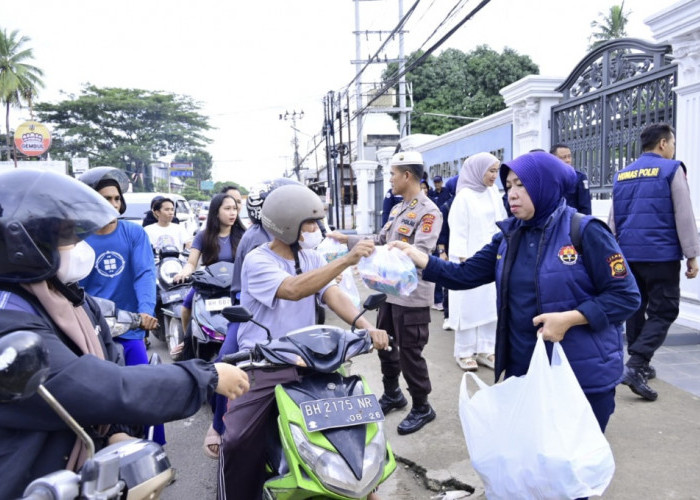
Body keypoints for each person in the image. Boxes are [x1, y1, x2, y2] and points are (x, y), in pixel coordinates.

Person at [0, 169, 250, 499]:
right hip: (32, 482)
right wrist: (205, 375)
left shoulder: (71, 298)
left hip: (87, 472)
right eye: (67, 236)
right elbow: (93, 386)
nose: (79, 245)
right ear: (25, 245)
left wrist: (117, 432)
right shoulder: (10, 314)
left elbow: (111, 362)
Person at [392, 151, 640, 433]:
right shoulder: (509, 237)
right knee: (537, 453)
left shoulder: (585, 231)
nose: (512, 194)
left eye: (521, 185)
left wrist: (571, 319)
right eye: (508, 186)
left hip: (579, 372)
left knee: (576, 462)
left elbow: (626, 296)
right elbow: (464, 274)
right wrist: (418, 257)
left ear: (544, 185)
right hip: (526, 370)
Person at [218, 184, 389, 500]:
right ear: (287, 224)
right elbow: (294, 289)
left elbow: (330, 293)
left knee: (356, 425)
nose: (317, 230)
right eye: (310, 224)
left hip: (312, 361)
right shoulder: (258, 260)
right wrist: (346, 259)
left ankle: (365, 488)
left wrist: (366, 327)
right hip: (264, 364)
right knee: (237, 440)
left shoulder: (311, 257)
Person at [329, 150, 443, 436]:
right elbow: (381, 239)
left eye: (393, 173)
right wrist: (348, 239)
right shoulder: (397, 209)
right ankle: (393, 394)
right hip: (387, 292)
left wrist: (388, 254)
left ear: (407, 175)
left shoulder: (429, 212)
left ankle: (422, 405)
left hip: (411, 294)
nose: (390, 179)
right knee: (385, 344)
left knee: (411, 353)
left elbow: (421, 254)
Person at [203, 178, 298, 459]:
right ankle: (219, 424)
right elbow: (290, 287)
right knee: (227, 362)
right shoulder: (259, 237)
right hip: (249, 310)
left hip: (284, 311)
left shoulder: (292, 235)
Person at [610, 123, 700, 401]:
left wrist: (612, 255)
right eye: (672, 143)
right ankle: (636, 364)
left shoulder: (622, 174)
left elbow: (614, 219)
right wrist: (692, 254)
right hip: (661, 255)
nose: (673, 149)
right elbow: (683, 213)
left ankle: (641, 364)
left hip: (627, 254)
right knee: (665, 311)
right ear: (663, 143)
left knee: (635, 309)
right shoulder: (672, 169)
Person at [78, 167, 166, 444]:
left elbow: (144, 274)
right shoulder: (78, 237)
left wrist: (146, 312)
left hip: (129, 326)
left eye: (117, 198)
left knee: (146, 389)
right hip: (91, 329)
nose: (114, 204)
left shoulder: (133, 233)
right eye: (106, 198)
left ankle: (157, 448)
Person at [447, 153, 507, 371]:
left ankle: (486, 348)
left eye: (496, 170)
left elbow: (501, 221)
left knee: (490, 305)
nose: (494, 176)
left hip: (491, 256)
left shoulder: (492, 192)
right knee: (469, 306)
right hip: (470, 259)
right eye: (490, 171)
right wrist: (465, 261)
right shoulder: (464, 197)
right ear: (477, 170)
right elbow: (458, 230)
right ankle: (463, 352)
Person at [171, 193, 247, 359]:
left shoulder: (244, 235)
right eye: (227, 209)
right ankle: (187, 340)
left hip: (236, 286)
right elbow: (191, 263)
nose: (232, 213)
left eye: (234, 209)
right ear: (216, 212)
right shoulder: (203, 236)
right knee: (185, 307)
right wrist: (184, 272)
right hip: (209, 285)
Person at [436, 175, 458, 330]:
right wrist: (442, 251)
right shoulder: (447, 207)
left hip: (465, 251)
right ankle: (448, 315)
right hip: (450, 250)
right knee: (448, 285)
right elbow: (441, 233)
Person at [550, 143, 592, 215]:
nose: (568, 160)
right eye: (563, 157)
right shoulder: (548, 178)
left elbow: (585, 207)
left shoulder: (579, 177)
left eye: (569, 157)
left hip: (572, 222)